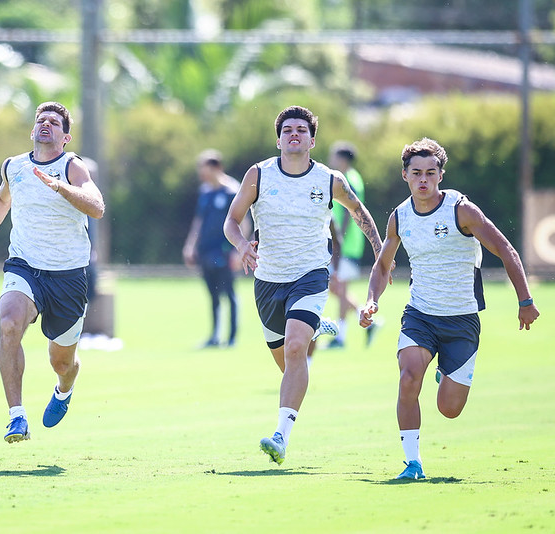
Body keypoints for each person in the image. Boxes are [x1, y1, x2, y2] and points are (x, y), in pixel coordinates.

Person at [359, 138, 540, 480]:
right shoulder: (399, 217)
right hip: (420, 315)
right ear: (405, 175)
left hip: (461, 320)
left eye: (430, 172)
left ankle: (446, 370)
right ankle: (413, 464)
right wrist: (372, 300)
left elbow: (505, 249)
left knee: (449, 409)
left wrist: (525, 301)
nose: (423, 179)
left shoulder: (461, 210)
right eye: (416, 173)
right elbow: (384, 266)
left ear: (441, 175)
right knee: (409, 377)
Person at [224, 105, 383, 465]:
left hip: (311, 275)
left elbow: (361, 214)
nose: (294, 134)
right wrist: (241, 246)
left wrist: (380, 255)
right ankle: (317, 328)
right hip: (267, 280)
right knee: (288, 365)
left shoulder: (330, 180)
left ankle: (281, 435)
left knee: (297, 350)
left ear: (312, 139)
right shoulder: (259, 175)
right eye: (287, 130)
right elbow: (232, 221)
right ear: (278, 138)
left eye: (301, 129)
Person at [0, 101, 105, 443]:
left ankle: (64, 391)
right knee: (8, 324)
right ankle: (16, 417)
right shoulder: (15, 166)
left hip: (68, 275)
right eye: (41, 120)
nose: (46, 124)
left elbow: (96, 207)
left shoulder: (72, 166)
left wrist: (61, 187)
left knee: (62, 362)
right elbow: (2, 200)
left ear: (65, 137)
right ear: (33, 130)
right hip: (25, 266)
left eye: (54, 121)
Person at [182, 149, 243, 348]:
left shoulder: (232, 191)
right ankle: (215, 336)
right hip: (206, 251)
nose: (202, 174)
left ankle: (232, 337)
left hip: (225, 251)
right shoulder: (205, 192)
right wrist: (190, 246)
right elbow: (198, 221)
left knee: (229, 294)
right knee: (213, 295)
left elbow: (244, 222)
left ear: (217, 168)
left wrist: (238, 250)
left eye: (205, 169)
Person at [326, 142, 377, 348]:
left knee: (338, 285)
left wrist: (341, 237)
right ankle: (362, 316)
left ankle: (341, 337)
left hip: (346, 244)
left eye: (334, 157)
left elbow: (349, 210)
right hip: (346, 244)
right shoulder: (351, 177)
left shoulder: (350, 179)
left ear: (342, 159)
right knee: (336, 286)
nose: (331, 160)